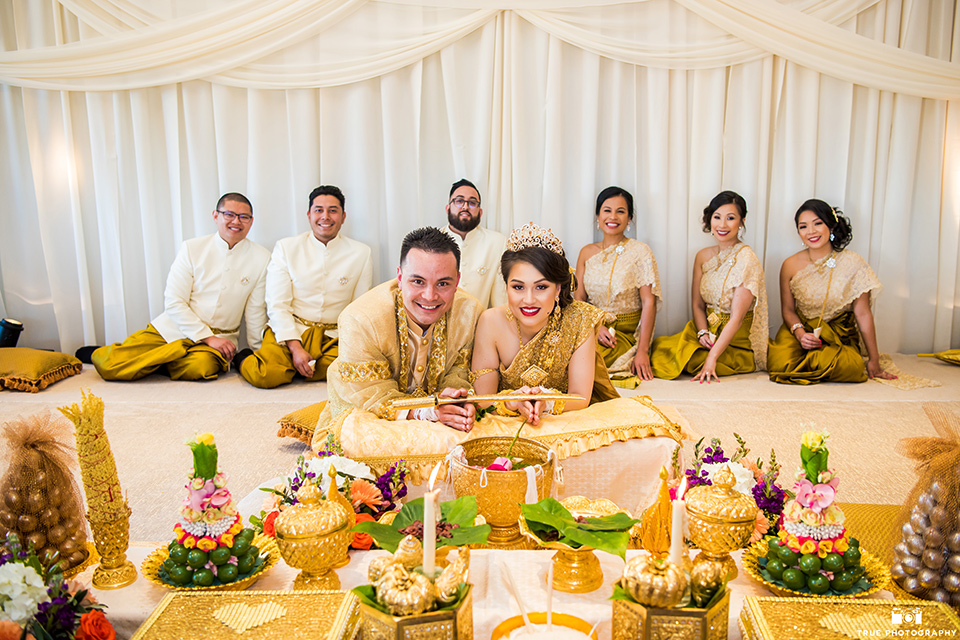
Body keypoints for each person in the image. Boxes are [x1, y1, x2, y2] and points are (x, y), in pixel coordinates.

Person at [311, 226, 483, 452]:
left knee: (480, 437)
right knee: (358, 442)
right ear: (400, 277)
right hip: (368, 405)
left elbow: (460, 371)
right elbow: (371, 393)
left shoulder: (470, 313)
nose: (430, 296)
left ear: (458, 280)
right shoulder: (360, 319)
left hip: (436, 406)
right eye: (418, 282)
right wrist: (426, 411)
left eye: (443, 283)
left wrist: (454, 401)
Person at [86, 193, 270, 381]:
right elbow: (174, 301)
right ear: (216, 216)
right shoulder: (192, 248)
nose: (236, 221)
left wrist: (260, 352)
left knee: (200, 368)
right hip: (174, 328)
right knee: (108, 364)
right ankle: (161, 356)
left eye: (243, 217)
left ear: (251, 221)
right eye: (229, 214)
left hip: (220, 338)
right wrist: (205, 336)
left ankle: (155, 360)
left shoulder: (262, 257)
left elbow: (255, 311)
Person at [472, 222, 620, 423]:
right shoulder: (490, 322)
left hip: (564, 419)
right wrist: (511, 403)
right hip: (505, 421)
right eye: (518, 287)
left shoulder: (580, 320)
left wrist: (546, 402)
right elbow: (483, 399)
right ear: (506, 286)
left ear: (558, 289)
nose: (529, 299)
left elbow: (581, 396)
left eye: (541, 287)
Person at [237, 185, 373, 388]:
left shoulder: (361, 252)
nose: (325, 217)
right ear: (309, 215)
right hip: (292, 329)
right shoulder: (286, 247)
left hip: (332, 336)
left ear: (343, 217)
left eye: (333, 210)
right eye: (318, 210)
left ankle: (296, 368)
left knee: (349, 370)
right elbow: (277, 305)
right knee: (265, 375)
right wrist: (295, 347)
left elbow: (358, 308)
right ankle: (244, 358)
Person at [768, 199, 895, 384]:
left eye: (818, 223)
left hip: (839, 334)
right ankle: (815, 360)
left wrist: (874, 360)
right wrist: (801, 334)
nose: (811, 231)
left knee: (852, 368)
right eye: (803, 227)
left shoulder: (853, 263)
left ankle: (823, 361)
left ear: (831, 225)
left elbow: (863, 313)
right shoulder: (789, 265)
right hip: (800, 330)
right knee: (779, 363)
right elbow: (788, 310)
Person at [650, 191, 768, 382]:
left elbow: (737, 319)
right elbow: (697, 305)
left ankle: (720, 358)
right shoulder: (702, 256)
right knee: (661, 350)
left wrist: (712, 358)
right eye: (717, 217)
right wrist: (702, 331)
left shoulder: (747, 259)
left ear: (742, 222)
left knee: (691, 361)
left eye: (730, 218)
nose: (722, 225)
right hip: (707, 330)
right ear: (710, 220)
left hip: (735, 339)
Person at [574, 186, 661, 387]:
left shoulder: (640, 252)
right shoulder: (586, 252)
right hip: (592, 329)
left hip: (624, 334)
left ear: (629, 218)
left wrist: (642, 351)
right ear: (597, 215)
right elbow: (578, 299)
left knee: (587, 362)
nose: (613, 216)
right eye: (607, 210)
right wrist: (596, 326)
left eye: (620, 211)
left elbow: (649, 302)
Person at [442, 179, 507, 308]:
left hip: (480, 324)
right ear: (448, 208)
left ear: (480, 212)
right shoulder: (431, 242)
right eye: (459, 201)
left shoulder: (497, 243)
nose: (465, 207)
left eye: (472, 203)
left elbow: (500, 299)